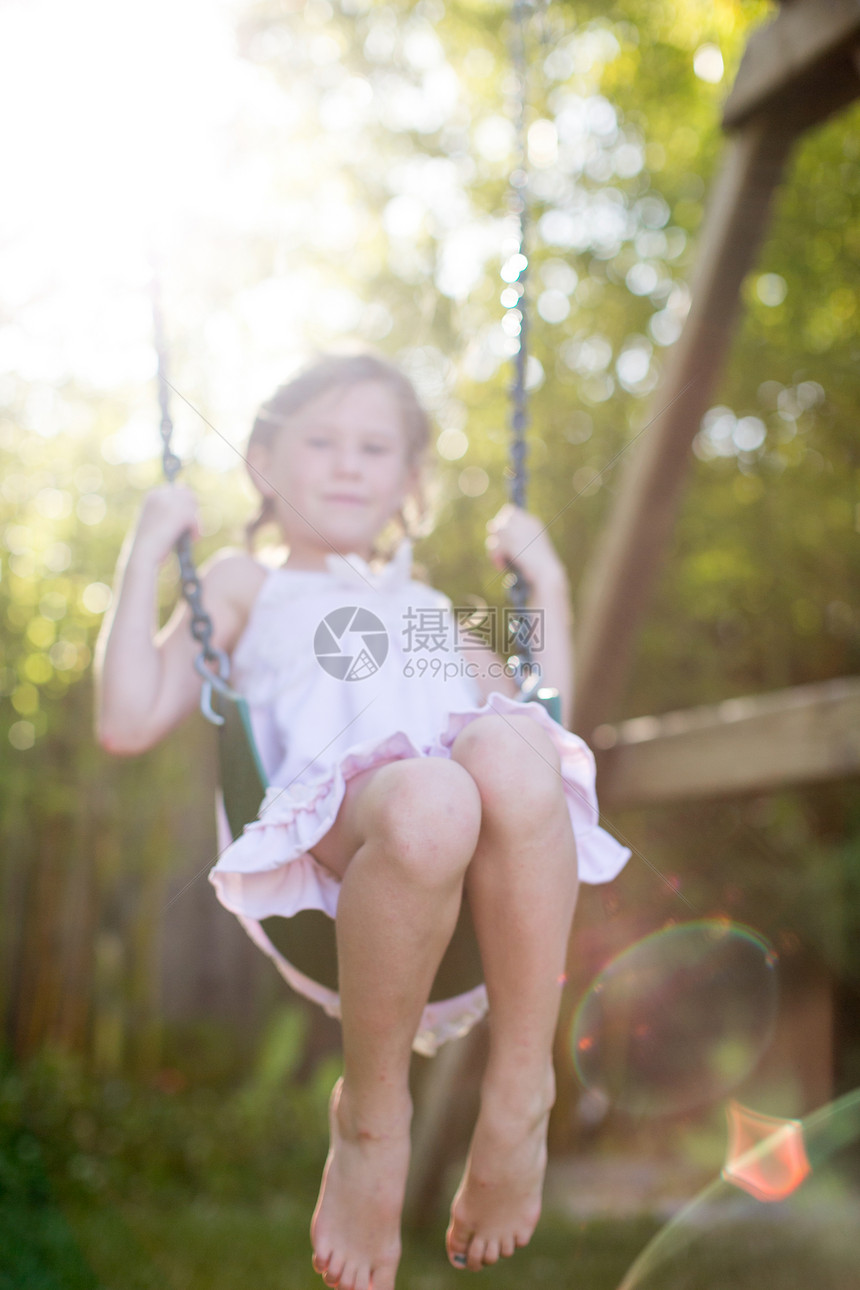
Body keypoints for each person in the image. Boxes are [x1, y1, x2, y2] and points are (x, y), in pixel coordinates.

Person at [95, 350, 629, 1290]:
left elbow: (546, 736)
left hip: (483, 888)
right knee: (432, 798)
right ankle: (373, 1120)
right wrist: (147, 547)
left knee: (504, 754)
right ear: (264, 462)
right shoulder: (244, 585)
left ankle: (521, 1088)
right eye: (321, 442)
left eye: (374, 447)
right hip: (344, 855)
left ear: (410, 482)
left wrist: (549, 589)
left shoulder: (431, 613)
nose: (347, 464)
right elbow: (126, 718)